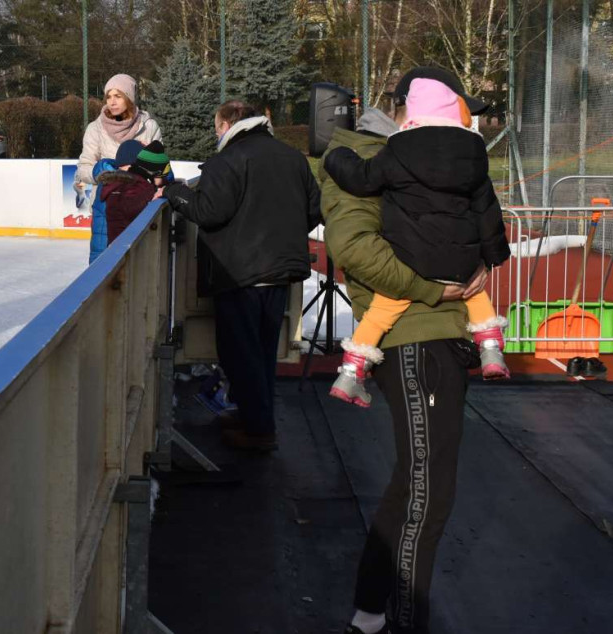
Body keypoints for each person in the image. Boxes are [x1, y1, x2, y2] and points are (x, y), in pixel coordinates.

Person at [318, 67, 491, 634]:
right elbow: (353, 248)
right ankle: (405, 621)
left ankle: (371, 613)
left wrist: (482, 258)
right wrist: (432, 287)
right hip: (412, 333)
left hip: (444, 329)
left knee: (413, 481)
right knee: (429, 486)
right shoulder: (363, 158)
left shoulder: (423, 155)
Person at [323, 76, 512, 408]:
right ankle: (492, 350)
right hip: (460, 264)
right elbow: (487, 211)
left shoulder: (397, 151)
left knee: (380, 313)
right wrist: (492, 257)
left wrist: (336, 157)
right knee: (476, 292)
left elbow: (362, 178)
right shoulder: (473, 156)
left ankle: (351, 372)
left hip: (412, 257)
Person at [161, 101, 321, 452]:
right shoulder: (292, 157)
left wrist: (174, 193)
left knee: (240, 354)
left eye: (217, 127)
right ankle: (255, 418)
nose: (216, 134)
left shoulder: (227, 160)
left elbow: (207, 211)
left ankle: (260, 430)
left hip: (240, 273)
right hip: (280, 272)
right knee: (262, 353)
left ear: (227, 125)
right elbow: (313, 211)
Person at [75, 74, 163, 262]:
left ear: (129, 98)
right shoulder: (95, 129)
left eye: (118, 96)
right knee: (102, 262)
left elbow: (159, 166)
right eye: (108, 96)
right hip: (105, 205)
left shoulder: (149, 127)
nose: (112, 102)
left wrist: (140, 167)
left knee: (139, 264)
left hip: (140, 203)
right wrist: (103, 171)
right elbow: (83, 169)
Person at [101, 140, 171, 244]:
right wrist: (152, 192)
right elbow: (130, 208)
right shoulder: (127, 185)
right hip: (125, 249)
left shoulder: (132, 182)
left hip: (124, 246)